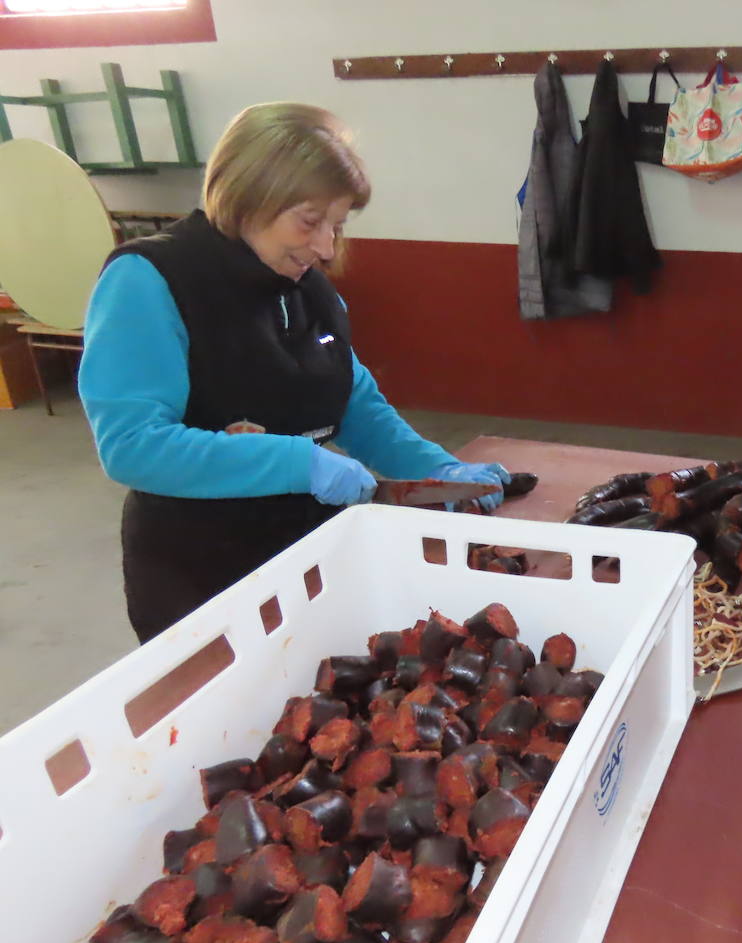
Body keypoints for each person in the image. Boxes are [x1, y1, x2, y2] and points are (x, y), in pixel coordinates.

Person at [78, 102, 511, 644]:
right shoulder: (149, 280)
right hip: (202, 572)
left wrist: (439, 473)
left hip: (311, 550)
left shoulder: (306, 284)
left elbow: (355, 403)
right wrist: (298, 460)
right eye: (310, 222)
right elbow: (133, 446)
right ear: (250, 193)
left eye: (337, 225)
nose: (327, 246)